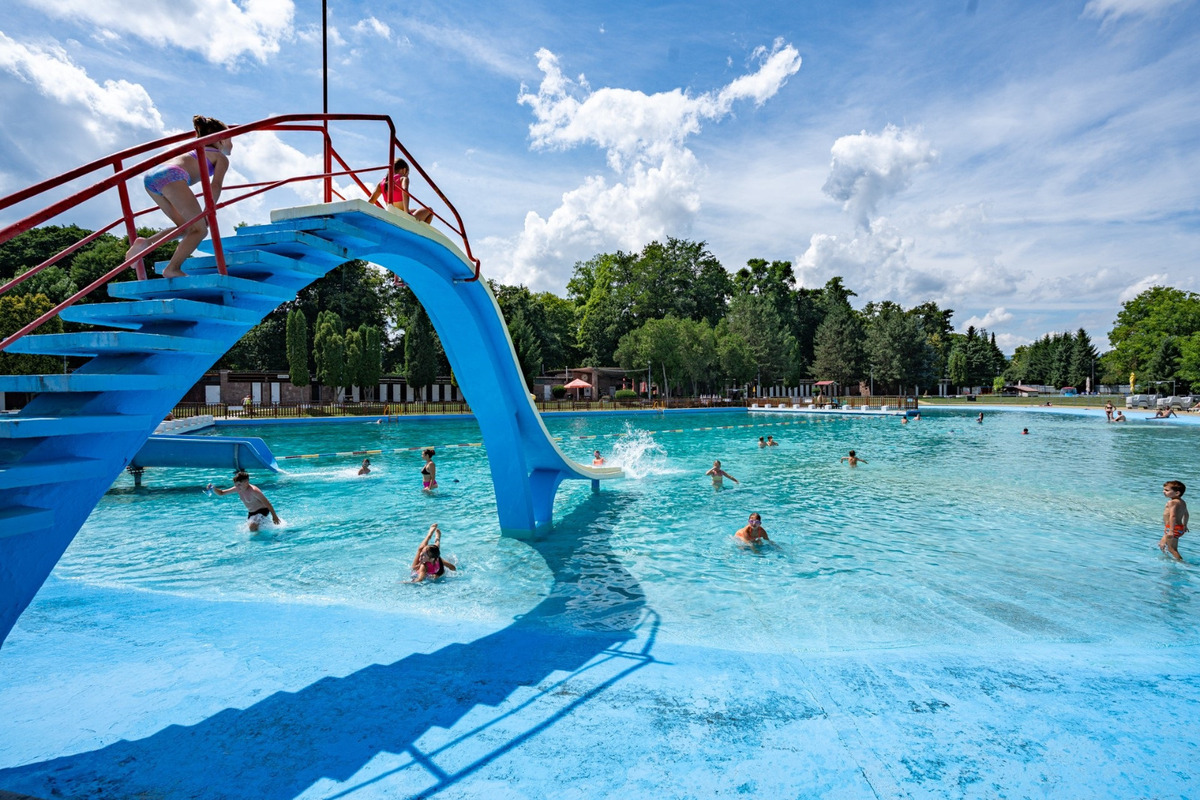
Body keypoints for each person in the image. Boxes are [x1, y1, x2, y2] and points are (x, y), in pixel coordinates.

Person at [127, 115, 232, 279]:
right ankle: (172, 268)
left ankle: (146, 242)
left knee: (186, 227)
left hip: (152, 177)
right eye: (231, 138)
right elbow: (215, 185)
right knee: (200, 230)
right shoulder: (221, 158)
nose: (232, 144)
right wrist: (207, 210)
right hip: (172, 176)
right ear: (222, 140)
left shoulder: (195, 149)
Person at [368, 158, 435, 224]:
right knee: (430, 210)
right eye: (408, 173)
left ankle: (410, 215)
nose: (407, 175)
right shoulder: (403, 179)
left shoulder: (381, 183)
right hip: (403, 216)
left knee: (414, 210)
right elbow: (405, 191)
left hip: (392, 213)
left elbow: (372, 200)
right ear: (404, 170)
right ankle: (422, 230)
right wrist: (407, 213)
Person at [210, 470, 280, 532]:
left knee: (252, 528)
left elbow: (268, 503)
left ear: (246, 482)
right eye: (236, 485)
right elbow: (222, 493)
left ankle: (258, 543)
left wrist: (275, 516)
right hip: (251, 513)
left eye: (239, 484)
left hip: (262, 510)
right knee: (249, 530)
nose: (237, 487)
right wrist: (213, 489)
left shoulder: (254, 491)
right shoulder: (238, 488)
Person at [1159, 480, 1190, 561]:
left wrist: (1171, 531)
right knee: (1162, 544)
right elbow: (1186, 514)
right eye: (1164, 489)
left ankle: (1182, 563)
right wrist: (1185, 525)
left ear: (1177, 493)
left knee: (1172, 549)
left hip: (1173, 528)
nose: (1164, 491)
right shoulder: (1182, 502)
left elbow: (1173, 516)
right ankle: (1168, 559)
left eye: (1167, 490)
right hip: (1178, 528)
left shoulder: (1172, 502)